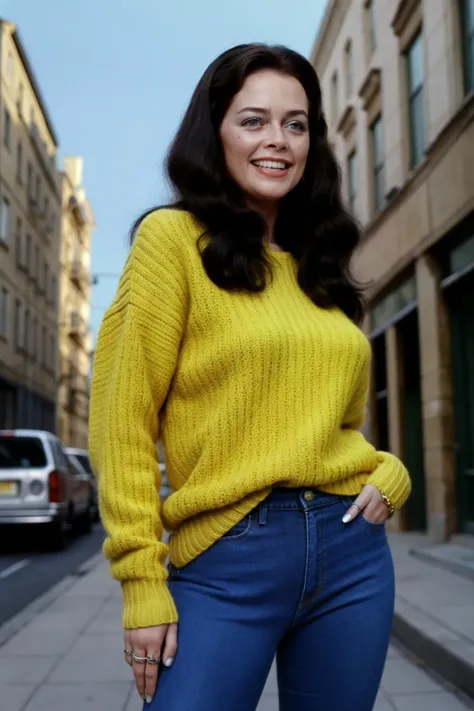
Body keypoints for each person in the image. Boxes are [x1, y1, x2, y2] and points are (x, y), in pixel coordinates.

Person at [89, 43, 411, 711]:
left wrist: (388, 469)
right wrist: (140, 579)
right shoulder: (172, 241)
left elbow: (338, 420)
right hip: (226, 560)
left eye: (296, 124)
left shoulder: (319, 262)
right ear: (216, 132)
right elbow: (122, 417)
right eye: (254, 119)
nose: (278, 140)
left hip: (354, 557)